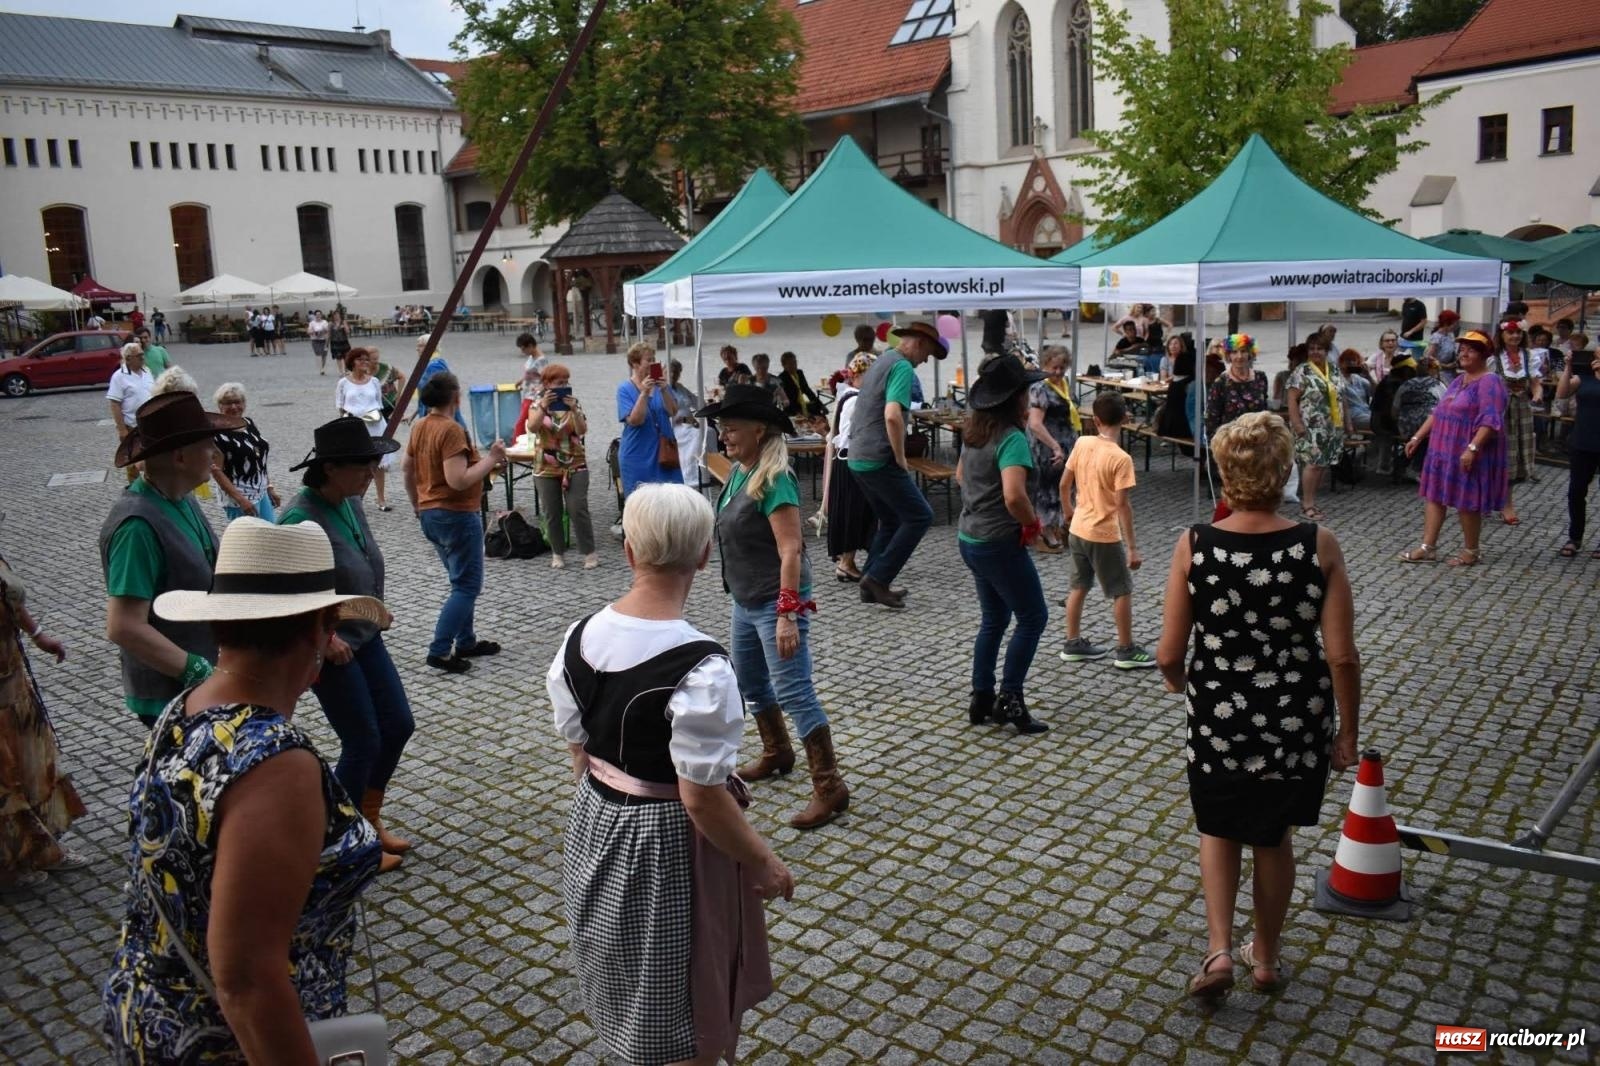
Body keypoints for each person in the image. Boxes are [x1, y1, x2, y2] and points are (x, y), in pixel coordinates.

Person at [101, 519, 386, 1062]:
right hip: (226, 1043)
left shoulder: (186, 706)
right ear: (320, 630)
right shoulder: (277, 766)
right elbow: (246, 981)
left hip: (151, 1007)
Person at [548, 483, 791, 1066]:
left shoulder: (579, 635)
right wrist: (763, 860)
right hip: (665, 843)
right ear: (706, 556)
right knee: (675, 985)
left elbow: (578, 747)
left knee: (619, 960)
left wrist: (606, 794)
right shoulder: (701, 666)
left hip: (595, 817)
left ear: (629, 551)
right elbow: (701, 798)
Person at [1155, 411, 1359, 1000]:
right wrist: (1346, 734)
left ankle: (1219, 950)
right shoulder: (1317, 545)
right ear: (1286, 469)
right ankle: (1265, 956)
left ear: (1223, 473)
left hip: (1219, 717)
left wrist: (1176, 682)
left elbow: (1170, 652)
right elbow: (1342, 657)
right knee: (1273, 837)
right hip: (1296, 718)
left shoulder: (1194, 544)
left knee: (1217, 830)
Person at [699, 385, 851, 829]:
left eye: (730, 428)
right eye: (720, 427)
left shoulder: (774, 478)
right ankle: (777, 752)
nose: (722, 436)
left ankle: (830, 786)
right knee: (749, 682)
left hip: (774, 602)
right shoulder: (739, 473)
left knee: (794, 691)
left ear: (759, 429)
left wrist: (788, 614)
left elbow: (791, 550)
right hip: (745, 600)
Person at [280, 417, 413, 874]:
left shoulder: (350, 501)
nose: (371, 472)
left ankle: (367, 821)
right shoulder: (299, 519)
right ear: (330, 468)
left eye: (373, 463)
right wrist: (326, 636)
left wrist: (373, 608)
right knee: (362, 739)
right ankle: (333, 842)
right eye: (363, 465)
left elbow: (360, 565)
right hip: (327, 647)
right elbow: (285, 597)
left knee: (398, 724)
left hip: (364, 635)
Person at [100, 392, 243, 727]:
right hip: (171, 696)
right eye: (207, 444)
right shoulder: (136, 526)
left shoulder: (181, 497)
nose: (215, 453)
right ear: (180, 456)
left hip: (203, 684)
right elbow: (123, 625)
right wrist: (197, 670)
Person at [956, 356, 1051, 735]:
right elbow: (1014, 496)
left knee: (994, 619)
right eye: (1026, 392)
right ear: (1014, 398)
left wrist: (981, 501)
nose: (1029, 398)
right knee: (1033, 617)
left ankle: (981, 696)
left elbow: (962, 475)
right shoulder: (1011, 438)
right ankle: (1009, 699)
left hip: (971, 538)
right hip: (997, 542)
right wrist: (1033, 526)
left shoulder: (974, 432)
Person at [0, 524, 88, 892]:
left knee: (32, 763)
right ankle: (10, 865)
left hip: (12, 679)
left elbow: (11, 598)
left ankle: (41, 847)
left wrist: (38, 637)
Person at [403, 372, 504, 673]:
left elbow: (407, 469)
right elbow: (457, 480)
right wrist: (493, 458)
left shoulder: (420, 426)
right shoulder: (450, 430)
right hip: (456, 514)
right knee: (466, 586)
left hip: (431, 513)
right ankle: (440, 650)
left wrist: (416, 504)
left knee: (460, 581)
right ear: (456, 397)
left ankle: (466, 641)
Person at [847, 320, 946, 608]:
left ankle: (870, 581)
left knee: (891, 519)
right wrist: (901, 456)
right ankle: (878, 579)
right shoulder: (901, 366)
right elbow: (892, 415)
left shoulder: (884, 359)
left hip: (859, 456)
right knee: (920, 516)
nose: (926, 359)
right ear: (918, 342)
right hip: (879, 458)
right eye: (928, 352)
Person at [1058, 392, 1154, 669]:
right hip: (1104, 534)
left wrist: (1067, 512)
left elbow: (1064, 484)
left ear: (1095, 420)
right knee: (1121, 590)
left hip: (1078, 529)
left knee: (1078, 586)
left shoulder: (1082, 442)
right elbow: (1122, 506)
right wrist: (1133, 548)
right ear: (1125, 418)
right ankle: (1125, 649)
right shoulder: (1121, 459)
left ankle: (1072, 642)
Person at [1399, 331, 1507, 567]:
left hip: (1465, 450)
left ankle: (1472, 551)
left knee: (1466, 500)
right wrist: (1417, 437)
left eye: (1471, 349)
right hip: (1442, 449)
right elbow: (1438, 412)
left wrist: (1473, 448)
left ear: (1483, 355)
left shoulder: (1490, 381)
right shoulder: (1460, 380)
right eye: (1462, 349)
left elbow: (1490, 420)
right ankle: (1428, 547)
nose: (1464, 353)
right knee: (1434, 495)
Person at [529, 363, 597, 570]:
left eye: (566, 382)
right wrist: (543, 407)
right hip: (546, 465)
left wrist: (574, 410)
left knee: (578, 508)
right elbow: (532, 427)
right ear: (547, 384)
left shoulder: (574, 403)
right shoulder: (536, 404)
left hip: (575, 462)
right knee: (552, 510)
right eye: (560, 382)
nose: (564, 386)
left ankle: (589, 551)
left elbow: (582, 430)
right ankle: (557, 552)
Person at [824, 353, 878, 582]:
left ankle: (847, 562)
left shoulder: (849, 396)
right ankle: (846, 563)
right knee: (852, 512)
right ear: (858, 375)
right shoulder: (855, 399)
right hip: (850, 462)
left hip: (847, 460)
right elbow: (848, 435)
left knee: (854, 512)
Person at [1286, 332, 1349, 522]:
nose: (1315, 352)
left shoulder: (1334, 370)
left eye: (1319, 348)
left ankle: (1311, 501)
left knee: (1322, 465)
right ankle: (1306, 505)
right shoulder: (1301, 371)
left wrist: (1349, 422)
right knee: (1312, 465)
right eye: (1312, 348)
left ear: (1326, 350)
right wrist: (1297, 424)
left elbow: (1342, 396)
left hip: (1331, 427)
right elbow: (1291, 399)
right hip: (1309, 426)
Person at [1024, 346, 1081, 551]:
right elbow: (1035, 424)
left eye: (1062, 367)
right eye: (1054, 367)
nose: (1058, 372)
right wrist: (1055, 446)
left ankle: (1058, 525)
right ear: (1045, 365)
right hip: (1047, 446)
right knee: (1047, 489)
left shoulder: (1065, 384)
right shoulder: (1039, 388)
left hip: (1065, 445)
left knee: (1063, 487)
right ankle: (1045, 530)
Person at [1491, 320, 1544, 525]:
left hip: (1521, 409)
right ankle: (1488, 499)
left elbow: (1536, 384)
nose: (1515, 337)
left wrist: (1537, 395)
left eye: (1518, 333)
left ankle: (1507, 504)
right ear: (1502, 335)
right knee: (1495, 454)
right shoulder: (1493, 358)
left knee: (1513, 458)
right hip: (1499, 409)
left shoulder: (1529, 356)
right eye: (1511, 333)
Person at [617, 341, 682, 497]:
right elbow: (635, 420)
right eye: (649, 360)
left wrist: (665, 389)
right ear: (635, 364)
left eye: (654, 359)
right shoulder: (624, 389)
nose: (653, 363)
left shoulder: (661, 387)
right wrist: (644, 393)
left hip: (664, 452)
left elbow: (673, 411)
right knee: (642, 503)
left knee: (672, 499)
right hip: (637, 455)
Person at [210, 383, 281, 523]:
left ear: (244, 403)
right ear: (220, 406)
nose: (234, 407)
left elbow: (259, 459)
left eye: (237, 402)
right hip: (239, 498)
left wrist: (269, 486)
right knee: (249, 541)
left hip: (260, 493)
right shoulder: (217, 434)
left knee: (271, 532)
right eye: (228, 403)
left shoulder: (248, 423)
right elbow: (216, 471)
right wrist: (241, 500)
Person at [336, 348, 396, 511]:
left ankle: (381, 499)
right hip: (354, 428)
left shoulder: (374, 381)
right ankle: (354, 499)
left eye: (366, 360)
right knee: (355, 464)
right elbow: (340, 407)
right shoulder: (343, 383)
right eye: (360, 359)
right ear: (352, 362)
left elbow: (378, 403)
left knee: (378, 464)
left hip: (375, 425)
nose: (364, 362)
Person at [1555, 337, 1598, 558]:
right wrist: (1569, 366)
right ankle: (1575, 537)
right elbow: (1561, 393)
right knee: (1576, 492)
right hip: (1583, 440)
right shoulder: (1585, 377)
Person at [1205, 334, 1269, 440]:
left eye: (1243, 351)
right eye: (1234, 352)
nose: (1239, 356)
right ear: (1228, 355)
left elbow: (1265, 411)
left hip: (1257, 440)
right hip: (1231, 443)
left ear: (1250, 353)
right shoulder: (1220, 383)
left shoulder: (1260, 377)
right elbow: (1211, 419)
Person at [107, 342, 155, 482]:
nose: (142, 358)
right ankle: (135, 489)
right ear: (128, 358)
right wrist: (121, 429)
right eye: (139, 356)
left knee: (151, 459)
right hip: (132, 426)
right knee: (132, 461)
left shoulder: (147, 371)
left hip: (150, 425)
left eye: (142, 354)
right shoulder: (119, 376)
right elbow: (115, 403)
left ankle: (152, 484)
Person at [1395, 355, 1447, 479]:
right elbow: (1446, 405)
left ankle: (1403, 465)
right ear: (1433, 370)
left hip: (1405, 424)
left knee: (1418, 439)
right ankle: (1416, 467)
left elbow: (1395, 408)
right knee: (1427, 438)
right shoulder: (1437, 385)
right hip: (1428, 424)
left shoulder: (1405, 385)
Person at [1370, 354, 1418, 476]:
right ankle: (1408, 466)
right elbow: (1392, 411)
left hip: (1384, 420)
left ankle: (1400, 464)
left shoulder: (1393, 380)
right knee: (1419, 434)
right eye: (1411, 368)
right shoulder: (1393, 384)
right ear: (1405, 370)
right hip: (1384, 423)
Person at [667, 359, 705, 485]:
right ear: (666, 372)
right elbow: (670, 417)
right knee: (697, 435)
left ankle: (707, 467)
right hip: (676, 426)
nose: (674, 375)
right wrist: (687, 420)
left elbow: (697, 402)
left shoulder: (680, 387)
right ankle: (691, 474)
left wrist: (706, 405)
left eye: (677, 372)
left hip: (689, 423)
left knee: (710, 432)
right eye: (671, 372)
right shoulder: (662, 391)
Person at [779, 350, 824, 426]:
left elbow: (807, 390)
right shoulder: (782, 378)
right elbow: (787, 401)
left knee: (821, 416)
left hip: (802, 405)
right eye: (790, 364)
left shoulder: (799, 373)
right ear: (784, 365)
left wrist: (820, 405)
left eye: (795, 362)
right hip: (791, 409)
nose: (794, 365)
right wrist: (801, 413)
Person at [1338, 348, 1374, 433]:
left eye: (1354, 361)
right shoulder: (1338, 379)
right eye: (1348, 361)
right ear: (1341, 362)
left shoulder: (1358, 379)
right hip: (1352, 416)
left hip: (1366, 412)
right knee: (1379, 423)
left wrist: (1369, 376)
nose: (1351, 363)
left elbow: (1376, 393)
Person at [307, 309, 331, 375]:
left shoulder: (325, 322)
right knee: (318, 355)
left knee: (324, 355)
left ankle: (322, 368)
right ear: (315, 316)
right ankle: (321, 369)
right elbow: (308, 331)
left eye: (319, 314)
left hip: (324, 340)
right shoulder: (312, 323)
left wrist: (324, 330)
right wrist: (314, 332)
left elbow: (328, 330)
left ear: (321, 315)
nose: (318, 316)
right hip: (315, 340)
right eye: (317, 315)